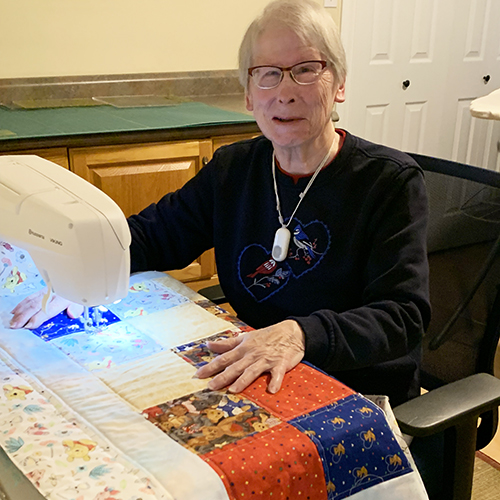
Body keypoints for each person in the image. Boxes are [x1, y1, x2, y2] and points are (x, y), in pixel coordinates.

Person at [10, 0, 430, 407]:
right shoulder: (234, 169)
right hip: (259, 371)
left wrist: (301, 335)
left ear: (339, 84)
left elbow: (403, 316)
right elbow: (155, 235)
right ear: (249, 95)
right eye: (267, 74)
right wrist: (86, 270)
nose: (284, 92)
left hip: (355, 386)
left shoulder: (389, 182)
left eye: (306, 70)